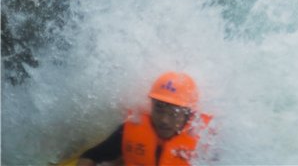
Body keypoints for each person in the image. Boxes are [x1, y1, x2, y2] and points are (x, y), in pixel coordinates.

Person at [76, 71, 210, 166]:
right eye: (159, 109)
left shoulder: (203, 143)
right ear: (151, 106)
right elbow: (91, 156)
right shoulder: (133, 128)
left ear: (188, 114)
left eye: (173, 113)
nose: (164, 120)